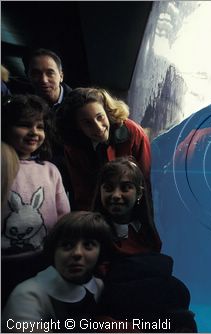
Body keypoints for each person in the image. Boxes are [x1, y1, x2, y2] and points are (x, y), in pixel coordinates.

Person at [92, 158, 197, 332]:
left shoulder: (145, 231)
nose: (116, 195)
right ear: (100, 192)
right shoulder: (93, 230)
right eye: (109, 188)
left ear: (139, 194)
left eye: (125, 188)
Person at [1, 94, 71, 307]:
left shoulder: (50, 171)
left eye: (40, 127)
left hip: (42, 263)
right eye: (24, 125)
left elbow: (64, 220)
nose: (34, 132)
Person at [2, 211, 114, 332]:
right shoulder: (26, 295)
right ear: (53, 250)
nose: (77, 253)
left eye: (88, 245)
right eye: (67, 245)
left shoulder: (98, 286)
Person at [57, 87, 152, 211]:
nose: (98, 127)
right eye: (87, 123)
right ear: (77, 127)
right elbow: (82, 193)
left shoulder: (133, 132)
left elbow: (147, 180)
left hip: (135, 209)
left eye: (100, 117)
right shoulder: (73, 148)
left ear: (107, 111)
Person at [26, 48, 74, 206]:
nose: (43, 80)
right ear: (28, 76)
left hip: (78, 179)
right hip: (41, 181)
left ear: (61, 75)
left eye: (50, 73)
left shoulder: (80, 104)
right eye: (36, 73)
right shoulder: (25, 108)